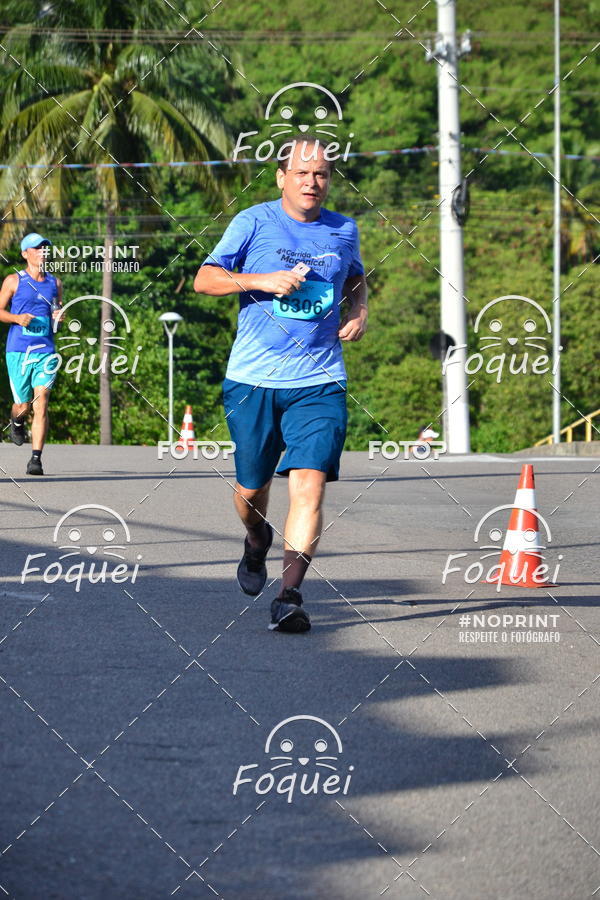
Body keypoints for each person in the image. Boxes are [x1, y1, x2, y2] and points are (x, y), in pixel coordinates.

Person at [194, 135, 368, 633]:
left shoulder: (344, 229)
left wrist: (359, 309)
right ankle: (254, 541)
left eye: (322, 175)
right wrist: (262, 279)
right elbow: (205, 279)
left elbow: (354, 277)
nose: (312, 182)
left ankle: (289, 596)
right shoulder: (253, 221)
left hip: (320, 378)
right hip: (253, 379)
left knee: (309, 484)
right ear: (281, 177)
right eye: (302, 173)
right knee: (252, 491)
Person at [0, 233, 62, 475]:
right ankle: (16, 420)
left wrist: (58, 318)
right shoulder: (13, 281)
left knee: (42, 401)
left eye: (45, 248)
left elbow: (56, 312)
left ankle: (36, 459)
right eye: (37, 248)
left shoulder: (55, 283)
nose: (42, 252)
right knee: (23, 405)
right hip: (19, 351)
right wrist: (16, 318)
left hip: (46, 350)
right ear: (26, 253)